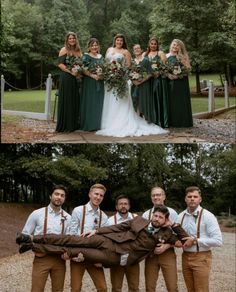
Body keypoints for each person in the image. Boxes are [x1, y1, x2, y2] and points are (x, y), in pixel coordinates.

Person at [16, 206, 189, 268]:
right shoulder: (139, 220)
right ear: (152, 215)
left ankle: (32, 246)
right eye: (156, 216)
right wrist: (97, 231)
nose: (157, 219)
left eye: (161, 217)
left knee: (73, 250)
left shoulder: (167, 234)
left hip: (115, 256)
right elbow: (118, 226)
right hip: (108, 240)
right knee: (71, 239)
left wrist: (174, 226)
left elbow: (184, 242)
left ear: (165, 219)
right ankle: (32, 238)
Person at [96, 33, 168, 138]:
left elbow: (128, 67)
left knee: (120, 102)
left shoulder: (126, 52)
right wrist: (108, 73)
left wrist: (119, 73)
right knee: (109, 101)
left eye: (121, 40)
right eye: (117, 40)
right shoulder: (109, 50)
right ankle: (108, 122)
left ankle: (121, 122)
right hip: (109, 80)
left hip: (120, 79)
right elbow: (106, 63)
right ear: (115, 41)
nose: (119, 42)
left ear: (123, 42)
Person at [16, 185, 71, 292]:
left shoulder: (68, 218)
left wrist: (68, 253)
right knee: (36, 289)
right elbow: (25, 234)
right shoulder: (37, 214)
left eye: (62, 195)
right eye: (56, 194)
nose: (59, 197)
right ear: (50, 196)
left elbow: (69, 240)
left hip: (59, 259)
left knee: (58, 290)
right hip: (41, 258)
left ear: (64, 199)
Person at [177, 186, 223, 292]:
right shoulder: (181, 216)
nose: (192, 198)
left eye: (195, 196)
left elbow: (218, 241)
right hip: (185, 257)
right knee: (190, 289)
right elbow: (177, 235)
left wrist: (196, 240)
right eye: (189, 196)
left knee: (201, 289)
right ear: (185, 199)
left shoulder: (208, 216)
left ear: (200, 199)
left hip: (202, 257)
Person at [69, 183, 109, 292]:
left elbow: (104, 239)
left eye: (101, 195)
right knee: (75, 289)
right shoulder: (78, 211)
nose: (98, 197)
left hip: (94, 257)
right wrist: (75, 253)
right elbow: (71, 234)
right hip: (78, 255)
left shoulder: (104, 217)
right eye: (96, 194)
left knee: (103, 288)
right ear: (90, 194)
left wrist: (100, 258)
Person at [142, 186, 178, 292]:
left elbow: (178, 235)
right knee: (149, 287)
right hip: (150, 254)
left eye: (158, 195)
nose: (156, 197)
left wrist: (166, 246)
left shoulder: (172, 213)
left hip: (167, 252)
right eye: (153, 195)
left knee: (172, 287)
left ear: (164, 196)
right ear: (151, 198)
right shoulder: (146, 214)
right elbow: (143, 235)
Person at [108, 195, 139, 292]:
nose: (123, 206)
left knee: (134, 287)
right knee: (116, 288)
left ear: (129, 206)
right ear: (116, 207)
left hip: (133, 258)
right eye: (120, 204)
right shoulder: (110, 221)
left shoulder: (136, 218)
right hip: (116, 258)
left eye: (125, 204)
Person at [56, 32, 82, 132]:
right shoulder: (64, 49)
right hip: (66, 77)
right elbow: (60, 64)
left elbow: (81, 64)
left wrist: (79, 72)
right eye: (70, 38)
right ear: (67, 40)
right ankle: (65, 125)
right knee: (67, 100)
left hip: (76, 79)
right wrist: (71, 71)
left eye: (73, 38)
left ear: (76, 39)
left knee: (75, 100)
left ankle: (74, 124)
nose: (72, 40)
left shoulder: (78, 51)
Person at [143, 37, 170, 128]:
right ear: (149, 44)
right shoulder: (145, 54)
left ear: (157, 45)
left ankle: (160, 121)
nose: (153, 45)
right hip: (148, 80)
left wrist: (159, 73)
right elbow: (142, 67)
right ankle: (150, 120)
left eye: (155, 44)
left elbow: (166, 67)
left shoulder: (161, 53)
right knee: (149, 99)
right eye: (152, 43)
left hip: (159, 80)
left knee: (158, 98)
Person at [166, 39, 193, 127]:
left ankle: (183, 121)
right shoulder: (166, 56)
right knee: (171, 101)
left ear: (180, 47)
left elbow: (188, 69)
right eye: (174, 45)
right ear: (171, 45)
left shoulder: (182, 57)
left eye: (177, 45)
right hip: (170, 82)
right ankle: (172, 122)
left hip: (181, 83)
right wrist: (168, 75)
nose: (175, 47)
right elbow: (163, 69)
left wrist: (178, 76)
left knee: (181, 101)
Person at [80, 38, 105, 131]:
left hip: (100, 83)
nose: (94, 47)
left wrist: (102, 75)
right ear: (89, 47)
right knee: (90, 102)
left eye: (96, 45)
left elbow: (105, 68)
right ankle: (89, 125)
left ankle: (96, 125)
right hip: (89, 83)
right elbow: (83, 69)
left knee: (98, 103)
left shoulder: (101, 57)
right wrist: (92, 75)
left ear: (98, 46)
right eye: (92, 45)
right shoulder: (86, 56)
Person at [131, 44, 153, 123]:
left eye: (138, 48)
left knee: (143, 101)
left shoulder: (146, 60)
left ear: (141, 50)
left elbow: (150, 73)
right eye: (135, 49)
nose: (137, 50)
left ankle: (145, 119)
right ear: (133, 51)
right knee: (135, 100)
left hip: (144, 85)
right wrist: (134, 81)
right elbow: (129, 73)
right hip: (134, 85)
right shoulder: (132, 62)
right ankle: (137, 120)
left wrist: (141, 81)